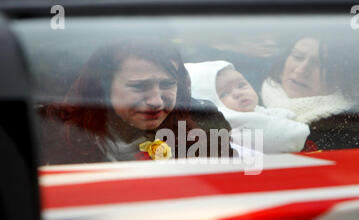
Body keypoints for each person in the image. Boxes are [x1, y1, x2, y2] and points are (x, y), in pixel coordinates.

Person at [40, 41, 233, 165]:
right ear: (103, 88)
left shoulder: (206, 125)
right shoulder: (49, 128)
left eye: (167, 84)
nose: (156, 102)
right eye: (139, 87)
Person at [261, 35, 359, 151]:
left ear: (347, 78)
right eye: (297, 56)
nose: (301, 70)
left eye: (321, 65)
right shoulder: (246, 100)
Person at [185, 60, 310, 154]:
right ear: (211, 101)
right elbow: (284, 135)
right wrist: (305, 129)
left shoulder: (254, 109)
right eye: (224, 93)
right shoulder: (228, 120)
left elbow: (272, 114)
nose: (238, 93)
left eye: (241, 85)